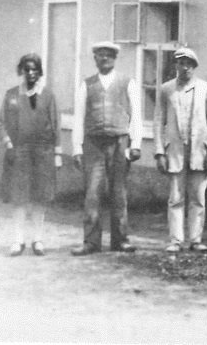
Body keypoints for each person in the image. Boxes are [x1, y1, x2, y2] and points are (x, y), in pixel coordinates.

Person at [71, 41, 142, 255]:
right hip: (93, 144)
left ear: (115, 58)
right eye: (100, 55)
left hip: (119, 142)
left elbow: (136, 115)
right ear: (95, 59)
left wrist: (136, 144)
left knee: (119, 193)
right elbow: (78, 117)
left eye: (109, 55)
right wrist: (77, 148)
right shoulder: (87, 85)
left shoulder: (127, 82)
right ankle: (91, 242)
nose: (104, 59)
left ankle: (120, 240)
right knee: (92, 193)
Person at [154, 47, 207, 252]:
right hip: (175, 150)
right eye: (181, 63)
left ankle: (195, 240)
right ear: (176, 65)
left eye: (189, 64)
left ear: (194, 67)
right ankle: (176, 240)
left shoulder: (205, 89)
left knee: (198, 197)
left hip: (199, 150)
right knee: (176, 197)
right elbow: (158, 122)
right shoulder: (167, 89)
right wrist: (159, 152)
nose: (185, 68)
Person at [0, 54, 63, 257]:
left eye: (35, 69)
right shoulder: (12, 95)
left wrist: (57, 154)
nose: (31, 73)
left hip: (43, 152)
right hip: (19, 151)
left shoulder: (48, 96)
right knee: (19, 197)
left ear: (40, 72)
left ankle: (37, 239)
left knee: (39, 197)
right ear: (22, 71)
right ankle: (18, 240)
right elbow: (0, 123)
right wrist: (8, 144)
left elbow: (56, 125)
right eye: (27, 69)